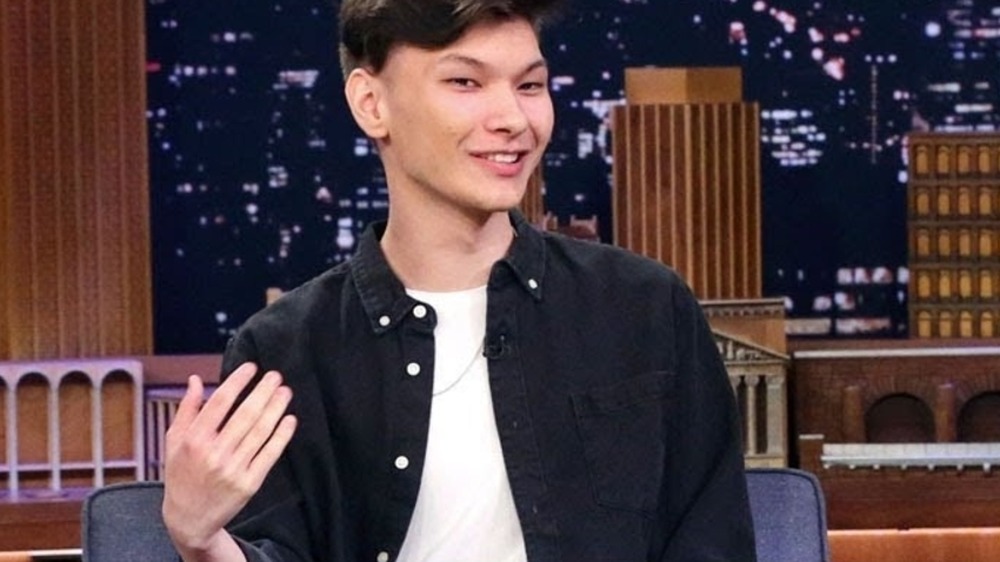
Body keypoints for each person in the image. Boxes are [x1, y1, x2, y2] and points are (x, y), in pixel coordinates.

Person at [161, 1, 757, 561]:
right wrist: (202, 541)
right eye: (465, 82)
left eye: (530, 86)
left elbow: (711, 542)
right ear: (371, 103)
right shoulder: (285, 351)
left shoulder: (644, 310)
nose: (513, 119)